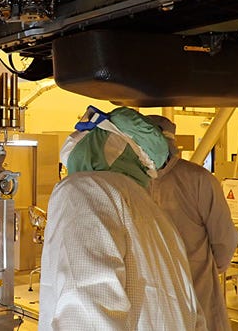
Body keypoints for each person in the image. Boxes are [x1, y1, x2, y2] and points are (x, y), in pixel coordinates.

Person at [39, 106, 206, 330]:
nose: (76, 135)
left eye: (87, 128)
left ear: (110, 142)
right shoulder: (156, 217)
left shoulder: (85, 189)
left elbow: (87, 313)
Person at [146, 114, 238, 331]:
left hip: (196, 289)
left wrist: (201, 270)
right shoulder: (133, 182)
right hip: (161, 293)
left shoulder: (197, 180)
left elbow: (224, 240)